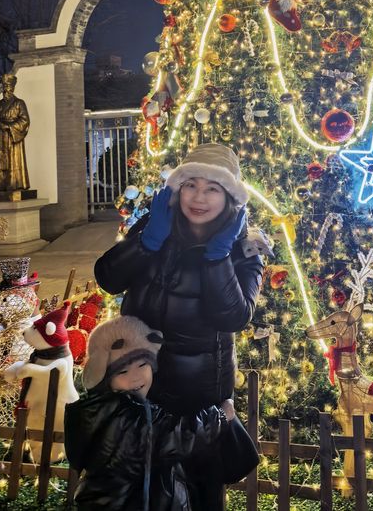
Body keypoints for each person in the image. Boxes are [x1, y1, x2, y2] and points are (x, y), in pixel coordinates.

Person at [95, 143, 271, 510]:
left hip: (198, 395)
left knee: (197, 489)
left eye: (213, 189)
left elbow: (234, 316)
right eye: (191, 185)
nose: (199, 198)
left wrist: (218, 257)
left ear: (230, 198)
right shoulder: (155, 225)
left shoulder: (245, 247)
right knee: (138, 485)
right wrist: (147, 242)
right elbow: (109, 279)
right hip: (141, 382)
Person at [65, 315, 235, 511]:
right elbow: (173, 437)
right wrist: (220, 415)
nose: (136, 376)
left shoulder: (105, 410)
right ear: (103, 376)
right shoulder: (121, 418)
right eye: (122, 372)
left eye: (142, 365)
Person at [0, 73, 31, 194]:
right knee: (1, 161)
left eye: (9, 86)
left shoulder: (19, 103)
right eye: (4, 87)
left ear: (13, 88)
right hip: (1, 137)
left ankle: (15, 184)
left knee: (13, 160)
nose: (6, 89)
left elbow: (25, 121)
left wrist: (9, 126)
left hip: (12, 137)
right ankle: (1, 185)